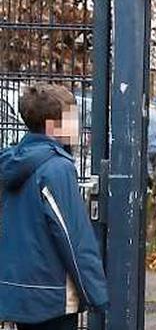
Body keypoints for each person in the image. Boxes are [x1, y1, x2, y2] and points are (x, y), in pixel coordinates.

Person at [0, 83, 108, 330]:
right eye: (73, 119)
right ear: (53, 126)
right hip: (52, 294)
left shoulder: (14, 163)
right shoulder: (56, 168)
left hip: (20, 292)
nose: (79, 126)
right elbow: (72, 236)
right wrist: (95, 293)